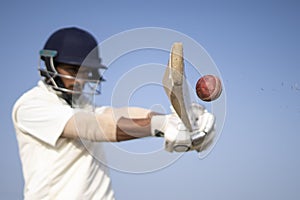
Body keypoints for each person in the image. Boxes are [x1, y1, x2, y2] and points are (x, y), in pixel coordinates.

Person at [12, 27, 215, 199]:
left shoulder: (81, 104)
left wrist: (172, 120)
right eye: (73, 71)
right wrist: (159, 126)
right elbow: (92, 127)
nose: (81, 81)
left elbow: (115, 115)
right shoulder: (32, 106)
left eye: (86, 72)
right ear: (49, 65)